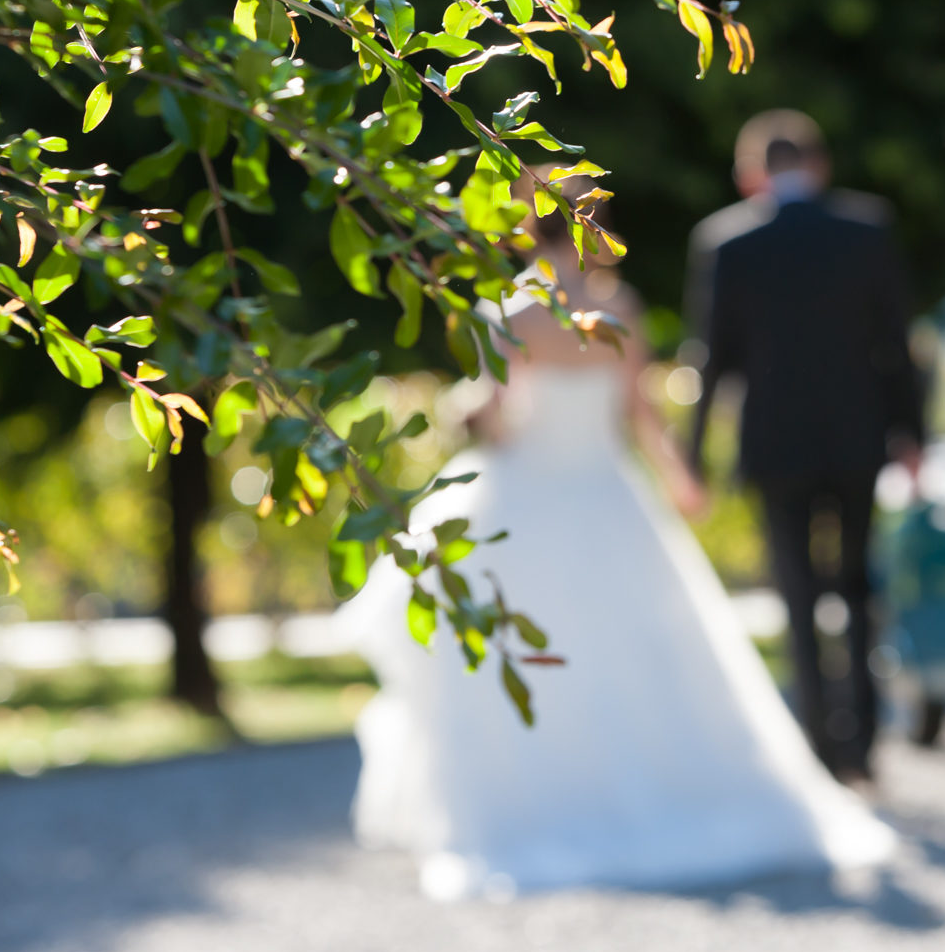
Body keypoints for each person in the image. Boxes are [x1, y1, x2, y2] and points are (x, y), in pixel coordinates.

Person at [339, 174, 895, 900]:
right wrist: (680, 482)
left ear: (522, 230)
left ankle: (543, 799)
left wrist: (462, 411)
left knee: (511, 649)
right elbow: (641, 415)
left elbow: (497, 419)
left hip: (524, 498)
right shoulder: (619, 307)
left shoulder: (511, 311)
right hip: (609, 496)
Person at [687, 111, 924, 784]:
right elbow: (896, 345)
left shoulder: (727, 244)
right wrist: (914, 434)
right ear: (817, 166)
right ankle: (865, 740)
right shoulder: (865, 230)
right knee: (855, 586)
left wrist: (696, 453)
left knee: (797, 594)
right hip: (857, 438)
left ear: (752, 174)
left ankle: (822, 744)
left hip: (775, 444)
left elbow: (712, 360)